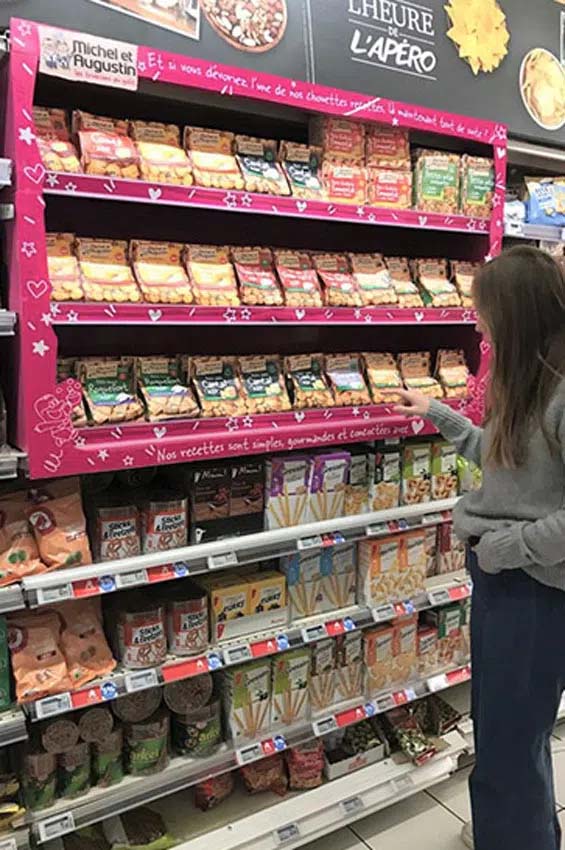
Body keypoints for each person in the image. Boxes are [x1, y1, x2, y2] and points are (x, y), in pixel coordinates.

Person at [394, 245, 565, 850]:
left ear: (514, 317)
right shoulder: (529, 381)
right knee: (505, 727)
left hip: (535, 590)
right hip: (508, 578)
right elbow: (513, 464)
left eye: (483, 312)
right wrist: (443, 416)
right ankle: (524, 829)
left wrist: (505, 548)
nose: (476, 324)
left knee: (510, 735)